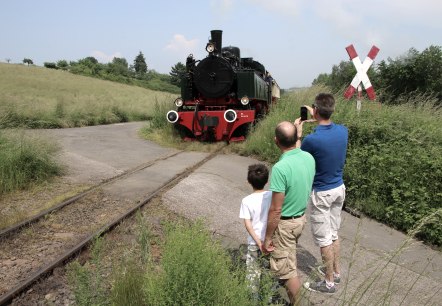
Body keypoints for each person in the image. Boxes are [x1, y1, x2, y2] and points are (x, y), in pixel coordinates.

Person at [296, 93, 349, 294]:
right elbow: (329, 129)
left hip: (322, 193)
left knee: (324, 239)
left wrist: (300, 134)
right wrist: (317, 117)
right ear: (332, 109)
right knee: (334, 233)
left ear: (315, 110)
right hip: (339, 188)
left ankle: (328, 283)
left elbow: (298, 157)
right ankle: (336, 272)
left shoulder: (312, 140)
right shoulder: (343, 131)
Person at [263, 121, 315, 304]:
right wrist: (298, 133)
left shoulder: (280, 168)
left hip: (285, 224)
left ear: (276, 141)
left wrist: (267, 238)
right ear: (295, 139)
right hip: (300, 219)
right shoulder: (308, 157)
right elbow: (296, 150)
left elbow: (276, 210)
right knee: (288, 259)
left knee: (287, 273)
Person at [239, 163, 272, 297]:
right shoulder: (272, 195)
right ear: (267, 181)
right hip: (270, 242)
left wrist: (258, 242)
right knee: (269, 271)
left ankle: (252, 299)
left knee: (253, 272)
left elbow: (248, 224)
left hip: (254, 242)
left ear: (248, 181)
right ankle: (268, 297)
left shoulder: (246, 200)